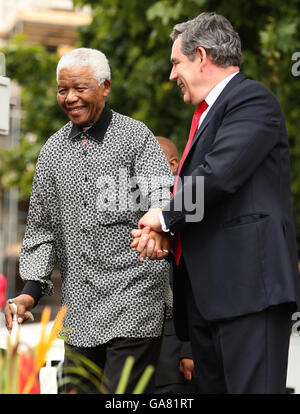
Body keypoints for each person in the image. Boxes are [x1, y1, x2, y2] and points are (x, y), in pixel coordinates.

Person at [132, 12, 300, 394]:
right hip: (210, 302)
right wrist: (166, 235)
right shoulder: (208, 116)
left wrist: (165, 216)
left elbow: (218, 176)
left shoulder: (253, 100)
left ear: (202, 56)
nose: (172, 75)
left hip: (248, 295)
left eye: (176, 63)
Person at [4, 47, 173, 394]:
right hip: (80, 307)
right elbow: (42, 226)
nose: (70, 98)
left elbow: (163, 197)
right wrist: (30, 292)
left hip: (134, 299)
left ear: (105, 86)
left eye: (80, 88)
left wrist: (158, 230)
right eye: (63, 89)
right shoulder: (52, 151)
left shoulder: (136, 137)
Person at [154, 137, 198, 394]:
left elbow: (193, 283)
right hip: (133, 352)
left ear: (172, 165)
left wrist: (188, 348)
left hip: (173, 356)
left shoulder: (189, 208)